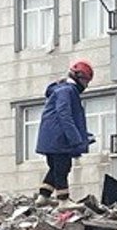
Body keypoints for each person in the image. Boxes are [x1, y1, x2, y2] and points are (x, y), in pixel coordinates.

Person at [36, 60, 97, 196]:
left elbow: (68, 119)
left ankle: (43, 196)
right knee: (62, 168)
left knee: (56, 168)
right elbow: (64, 115)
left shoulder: (61, 90)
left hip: (53, 139)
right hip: (59, 140)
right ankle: (63, 200)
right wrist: (76, 139)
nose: (86, 86)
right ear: (80, 78)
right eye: (86, 82)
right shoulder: (67, 90)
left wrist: (83, 136)